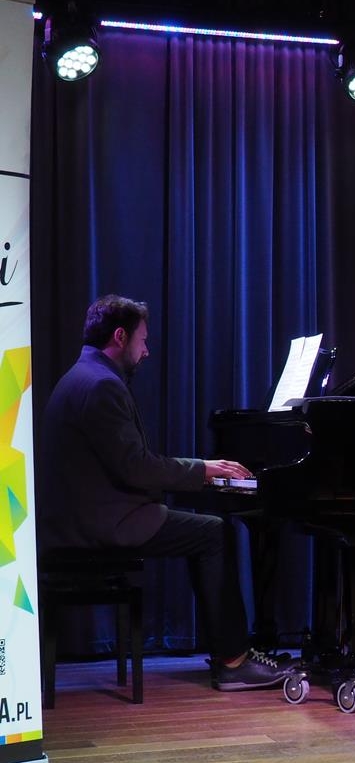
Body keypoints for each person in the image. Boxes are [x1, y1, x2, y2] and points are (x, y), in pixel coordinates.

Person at [37, 294, 291, 691]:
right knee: (212, 533)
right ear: (120, 337)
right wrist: (203, 470)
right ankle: (233, 661)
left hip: (85, 516)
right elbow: (137, 468)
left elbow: (132, 463)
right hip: (99, 524)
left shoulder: (83, 375)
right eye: (143, 341)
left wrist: (198, 470)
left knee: (206, 528)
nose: (147, 351)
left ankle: (230, 653)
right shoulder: (101, 386)